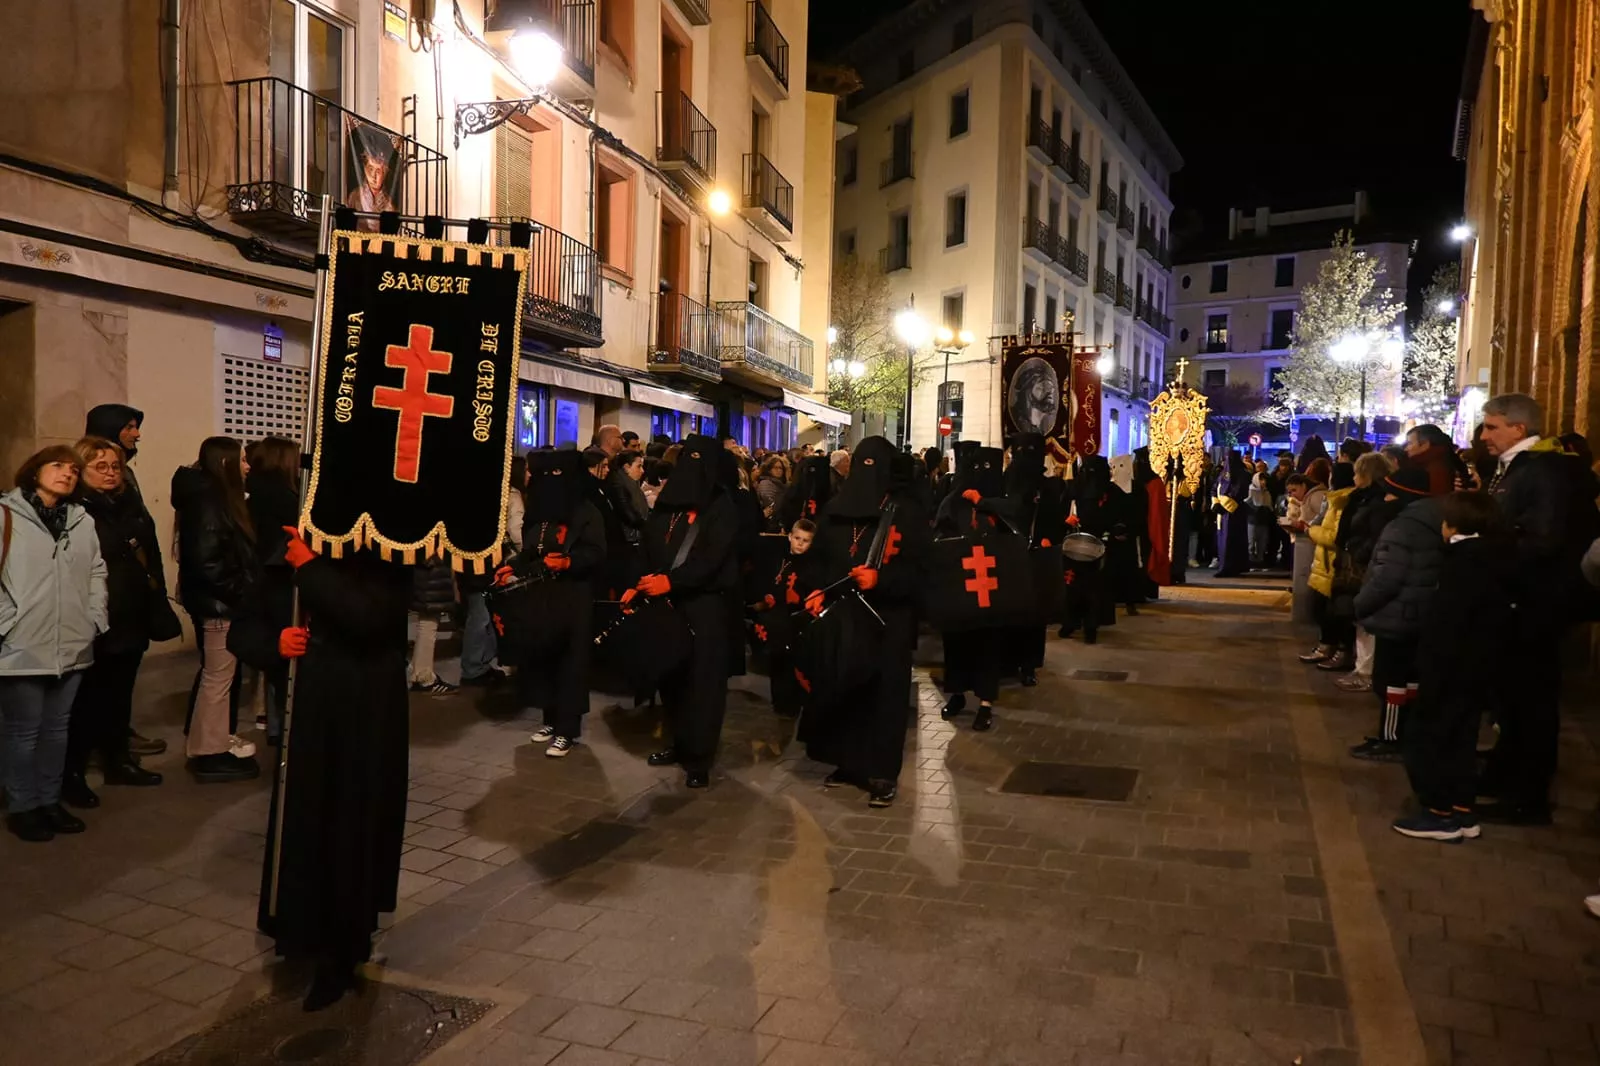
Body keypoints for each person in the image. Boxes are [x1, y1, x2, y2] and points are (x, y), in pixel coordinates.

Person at [237, 527, 411, 1011]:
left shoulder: (385, 550)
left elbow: (370, 618)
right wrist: (276, 644)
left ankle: (344, 949)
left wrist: (311, 569)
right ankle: (300, 931)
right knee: (306, 823)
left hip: (365, 721)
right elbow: (244, 628)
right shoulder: (289, 547)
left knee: (352, 828)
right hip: (307, 719)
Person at [1476, 393, 1589, 823]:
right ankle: (1505, 773)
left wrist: (1490, 553)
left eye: (1492, 427)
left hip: (1532, 602)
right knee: (1511, 697)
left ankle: (1528, 796)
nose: (1484, 436)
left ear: (1519, 429)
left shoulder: (1541, 471)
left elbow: (1542, 540)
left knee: (1531, 700)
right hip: (1516, 599)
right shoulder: (1518, 467)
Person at [799, 436, 928, 805]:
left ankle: (883, 772)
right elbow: (818, 559)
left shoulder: (907, 511)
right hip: (845, 614)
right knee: (845, 688)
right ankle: (848, 762)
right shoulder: (836, 510)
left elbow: (923, 571)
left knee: (885, 697)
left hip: (889, 620)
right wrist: (816, 589)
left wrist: (882, 580)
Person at [0, 447, 106, 842]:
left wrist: (94, 617)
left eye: (74, 469)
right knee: (23, 732)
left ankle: (49, 800)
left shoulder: (81, 520)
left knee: (57, 730)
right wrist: (7, 621)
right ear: (34, 471)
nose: (67, 473)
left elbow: (96, 571)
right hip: (22, 641)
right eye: (57, 466)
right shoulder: (7, 515)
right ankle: (23, 806)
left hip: (73, 640)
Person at [1392, 491, 1509, 842]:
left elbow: (1447, 623)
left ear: (1455, 524)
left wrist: (1427, 667)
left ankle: (1438, 813)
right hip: (1479, 666)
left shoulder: (1462, 563)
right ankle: (1462, 808)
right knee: (1462, 738)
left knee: (1429, 737)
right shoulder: (1497, 556)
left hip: (1451, 667)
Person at [61, 437, 170, 809]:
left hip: (131, 614)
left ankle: (118, 760)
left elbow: (151, 555)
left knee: (120, 697)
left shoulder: (130, 504)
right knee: (86, 702)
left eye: (115, 466)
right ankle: (72, 774)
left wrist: (155, 597)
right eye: (100, 467)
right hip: (94, 618)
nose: (110, 473)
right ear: (81, 470)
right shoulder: (74, 510)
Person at [636, 435, 739, 788]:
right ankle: (679, 742)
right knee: (673, 678)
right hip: (667, 604)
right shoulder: (669, 503)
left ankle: (699, 757)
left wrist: (672, 581)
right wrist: (643, 580)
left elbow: (712, 559)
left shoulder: (721, 506)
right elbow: (649, 541)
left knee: (703, 684)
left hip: (705, 605)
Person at [172, 437, 260, 782]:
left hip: (220, 601)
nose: (247, 466)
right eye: (242, 459)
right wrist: (240, 592)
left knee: (218, 676)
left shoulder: (211, 498)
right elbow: (208, 562)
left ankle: (208, 744)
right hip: (220, 605)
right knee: (218, 678)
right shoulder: (210, 501)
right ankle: (210, 751)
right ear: (225, 463)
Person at [508, 450, 606, 756]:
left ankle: (568, 729)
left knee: (571, 662)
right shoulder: (538, 512)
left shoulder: (587, 511)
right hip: (542, 596)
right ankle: (550, 719)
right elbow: (530, 552)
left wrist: (569, 562)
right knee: (544, 658)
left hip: (573, 597)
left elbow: (596, 552)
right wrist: (511, 567)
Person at [84, 403, 166, 758]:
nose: (137, 434)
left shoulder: (125, 479)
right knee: (99, 683)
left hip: (129, 594)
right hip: (107, 599)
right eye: (129, 426)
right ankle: (102, 745)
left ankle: (116, 741)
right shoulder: (86, 502)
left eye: (114, 467)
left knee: (119, 680)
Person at [1350, 467, 1440, 762]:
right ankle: (1408, 734)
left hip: (1397, 614)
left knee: (1391, 680)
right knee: (1410, 678)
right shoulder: (1433, 519)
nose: (1385, 499)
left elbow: (1387, 578)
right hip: (1420, 612)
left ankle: (1391, 738)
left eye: (1389, 493)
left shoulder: (1402, 527)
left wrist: (1361, 604)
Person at [935, 446, 1010, 727]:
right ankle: (957, 694)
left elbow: (1014, 528)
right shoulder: (952, 502)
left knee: (987, 644)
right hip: (960, 580)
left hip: (990, 584)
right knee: (956, 642)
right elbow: (940, 534)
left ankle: (985, 703)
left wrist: (986, 504)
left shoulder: (998, 501)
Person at [245, 437, 301, 745]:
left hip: (262, 578)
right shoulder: (283, 498)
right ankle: (281, 725)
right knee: (281, 659)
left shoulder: (253, 494)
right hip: (278, 578)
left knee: (270, 656)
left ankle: (270, 720)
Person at [1333, 451, 1398, 693]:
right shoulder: (1360, 498)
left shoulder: (1378, 502)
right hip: (1354, 562)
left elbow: (1375, 535)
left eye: (1357, 472)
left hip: (1363, 565)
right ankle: (1362, 668)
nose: (1353, 477)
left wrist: (1358, 553)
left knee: (1365, 617)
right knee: (1355, 615)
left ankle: (1366, 672)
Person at [750, 517, 814, 719]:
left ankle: (792, 704)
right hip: (776, 618)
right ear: (789, 537)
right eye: (797, 538)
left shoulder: (811, 567)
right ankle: (779, 702)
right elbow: (771, 581)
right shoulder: (779, 559)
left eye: (805, 540)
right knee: (776, 662)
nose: (800, 544)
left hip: (795, 620)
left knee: (792, 663)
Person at [1301, 463, 1356, 671]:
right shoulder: (1334, 499)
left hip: (1333, 564)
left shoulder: (1343, 501)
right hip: (1323, 563)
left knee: (1334, 612)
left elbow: (1334, 537)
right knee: (1320, 609)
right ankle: (1326, 646)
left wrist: (1311, 531)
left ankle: (1339, 651)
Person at [1212, 451, 1252, 578]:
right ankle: (1223, 565)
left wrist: (1225, 504)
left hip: (1234, 511)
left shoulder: (1243, 474)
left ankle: (1231, 567)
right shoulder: (1222, 474)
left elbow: (1239, 492)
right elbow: (1215, 488)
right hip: (1223, 512)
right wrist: (1216, 502)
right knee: (1223, 539)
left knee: (1232, 539)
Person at [1401, 424, 1459, 498]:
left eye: (1410, 443)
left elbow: (1437, 499)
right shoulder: (1438, 459)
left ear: (1425, 444)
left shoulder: (1435, 467)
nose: (1406, 449)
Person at [754, 454, 789, 523]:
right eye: (775, 468)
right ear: (769, 469)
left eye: (781, 468)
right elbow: (769, 504)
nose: (778, 470)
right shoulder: (766, 483)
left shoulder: (780, 483)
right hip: (771, 520)